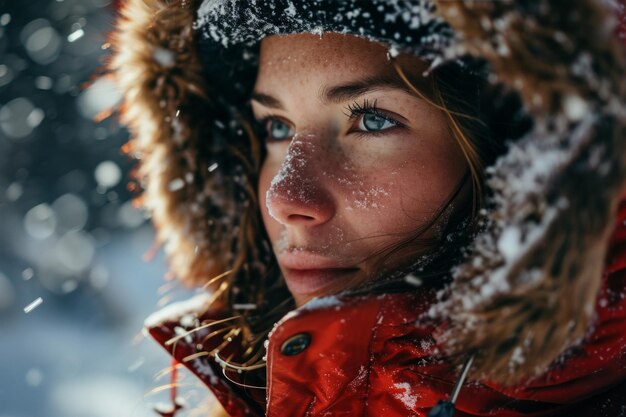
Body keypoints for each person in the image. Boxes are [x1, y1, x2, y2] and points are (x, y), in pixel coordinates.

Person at [109, 0, 626, 416]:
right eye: (277, 127)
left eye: (373, 121)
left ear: (516, 158)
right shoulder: (246, 389)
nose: (285, 198)